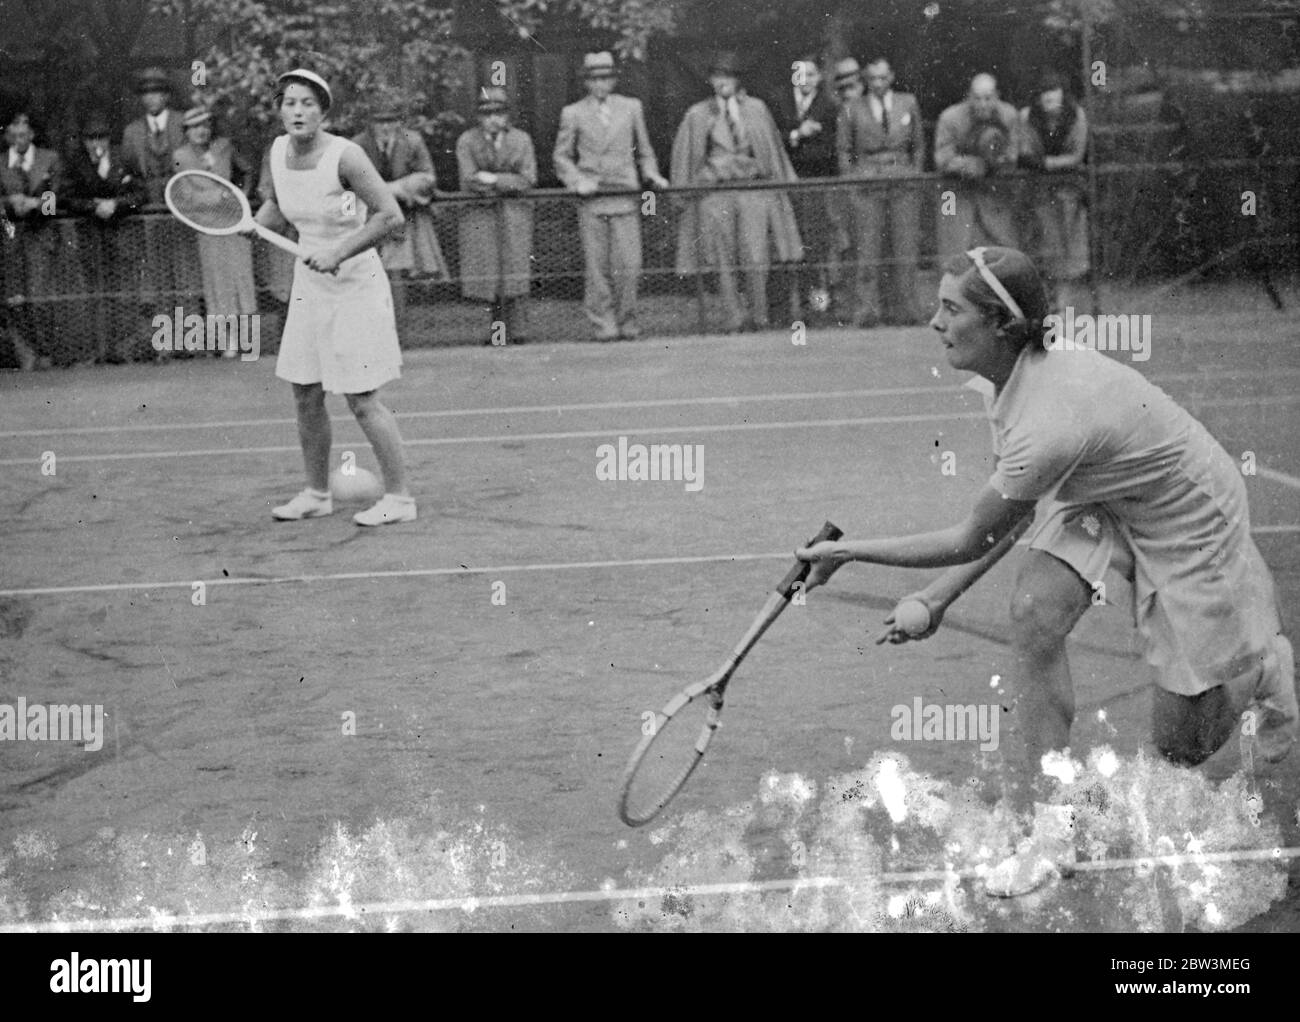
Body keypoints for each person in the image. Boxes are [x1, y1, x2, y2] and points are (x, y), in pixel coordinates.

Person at [796, 246, 1296, 897]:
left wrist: (848, 551)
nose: (934, 322)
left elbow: (967, 537)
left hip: (1189, 519)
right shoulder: (1012, 383)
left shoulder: (1046, 421)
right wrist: (938, 599)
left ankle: (1261, 668)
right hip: (1102, 491)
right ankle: (1050, 833)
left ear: (1002, 327)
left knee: (1184, 747)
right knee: (1034, 616)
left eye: (951, 309)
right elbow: (1005, 525)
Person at [253, 69, 415, 526]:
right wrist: (253, 223)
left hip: (356, 286)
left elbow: (390, 215)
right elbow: (280, 207)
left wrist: (338, 252)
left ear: (323, 111)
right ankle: (316, 493)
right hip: (311, 288)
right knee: (304, 392)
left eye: (307, 103)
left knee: (362, 398)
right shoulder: (278, 151)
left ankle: (400, 499)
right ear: (280, 109)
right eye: (289, 103)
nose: (298, 111)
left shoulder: (348, 156)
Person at [670, 51, 803, 334]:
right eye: (718, 75)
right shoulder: (697, 114)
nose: (723, 81)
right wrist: (698, 183)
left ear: (737, 79)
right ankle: (734, 318)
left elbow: (772, 152)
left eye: (729, 75)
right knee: (722, 259)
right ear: (710, 80)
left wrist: (778, 184)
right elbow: (687, 161)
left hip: (753, 192)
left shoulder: (756, 108)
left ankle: (759, 316)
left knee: (756, 257)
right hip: (715, 196)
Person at [554, 50, 667, 342]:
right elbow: (561, 157)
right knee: (597, 269)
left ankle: (627, 321)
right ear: (586, 83)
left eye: (606, 77)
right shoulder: (573, 112)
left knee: (630, 266)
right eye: (594, 79)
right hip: (592, 199)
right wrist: (577, 180)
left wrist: (652, 174)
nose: (601, 84)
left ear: (614, 80)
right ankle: (603, 325)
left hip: (625, 195)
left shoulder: (631, 107)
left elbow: (645, 151)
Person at [837, 58, 925, 326]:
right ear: (866, 80)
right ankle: (866, 311)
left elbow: (918, 145)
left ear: (891, 77)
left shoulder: (907, 102)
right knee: (867, 250)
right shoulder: (852, 108)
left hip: (902, 183)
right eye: (873, 78)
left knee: (905, 248)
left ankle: (907, 310)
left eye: (883, 77)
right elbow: (843, 150)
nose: (878, 83)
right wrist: (852, 183)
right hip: (867, 185)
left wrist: (914, 175)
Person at [351, 99, 449, 330]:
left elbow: (428, 178)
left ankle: (397, 333)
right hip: (368, 220)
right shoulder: (357, 145)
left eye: (391, 121)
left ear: (399, 123)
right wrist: (393, 189)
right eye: (380, 122)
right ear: (371, 124)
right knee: (367, 275)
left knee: (396, 275)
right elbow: (348, 184)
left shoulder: (412, 141)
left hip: (404, 218)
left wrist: (392, 189)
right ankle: (370, 332)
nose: (385, 127)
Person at [173, 107, 258, 357]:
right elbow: (187, 195)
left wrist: (241, 195)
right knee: (217, 283)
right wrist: (219, 195)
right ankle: (228, 342)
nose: (201, 131)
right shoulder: (180, 155)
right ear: (186, 131)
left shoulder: (223, 146)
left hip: (234, 221)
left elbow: (248, 170)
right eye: (195, 127)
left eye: (205, 126)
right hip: (208, 226)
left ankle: (248, 341)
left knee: (240, 277)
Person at [455, 87, 536, 346]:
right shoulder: (467, 140)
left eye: (499, 113)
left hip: (514, 215)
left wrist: (492, 178)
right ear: (479, 117)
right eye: (487, 114)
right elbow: (469, 179)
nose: (493, 119)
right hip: (480, 216)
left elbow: (527, 179)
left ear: (507, 115)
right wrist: (504, 183)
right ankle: (493, 333)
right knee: (486, 275)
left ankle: (519, 332)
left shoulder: (521, 140)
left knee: (514, 272)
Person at [63, 112, 146, 362]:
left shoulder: (124, 158)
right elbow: (66, 197)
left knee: (123, 293)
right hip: (90, 238)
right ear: (84, 142)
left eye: (100, 137)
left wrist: (116, 204)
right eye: (90, 139)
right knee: (95, 293)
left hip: (121, 237)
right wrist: (93, 206)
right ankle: (98, 351)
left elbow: (141, 193)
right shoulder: (76, 163)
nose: (96, 143)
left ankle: (124, 349)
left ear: (109, 139)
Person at [771, 53, 838, 323]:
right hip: (788, 186)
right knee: (786, 246)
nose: (805, 80)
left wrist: (800, 141)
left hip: (816, 187)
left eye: (810, 74)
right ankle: (786, 310)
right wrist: (799, 134)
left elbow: (830, 150)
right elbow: (775, 142)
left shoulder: (830, 107)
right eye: (799, 74)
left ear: (819, 77)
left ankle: (819, 307)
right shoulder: (780, 104)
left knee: (816, 247)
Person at [1, 113, 68, 365]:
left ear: (32, 135)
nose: (18, 139)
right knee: (15, 300)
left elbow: (58, 197)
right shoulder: (0, 163)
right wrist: (9, 203)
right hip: (10, 240)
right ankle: (26, 354)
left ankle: (47, 354)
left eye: (23, 134)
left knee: (40, 299)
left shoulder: (49, 159)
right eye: (13, 134)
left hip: (41, 237)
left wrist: (36, 204)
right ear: (7, 136)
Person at [1018, 73, 1089, 307]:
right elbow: (1025, 150)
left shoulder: (1076, 116)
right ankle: (1044, 304)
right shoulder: (1027, 117)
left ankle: (1063, 304)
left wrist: (1047, 163)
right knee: (1042, 246)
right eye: (1044, 94)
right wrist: (1033, 161)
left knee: (1068, 249)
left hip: (1069, 191)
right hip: (1039, 192)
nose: (1048, 98)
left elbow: (1076, 156)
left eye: (1053, 92)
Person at [933, 74, 1021, 263]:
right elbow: (942, 158)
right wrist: (968, 164)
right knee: (954, 253)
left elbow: (1013, 153)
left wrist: (993, 160)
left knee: (1001, 251)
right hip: (955, 194)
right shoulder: (950, 118)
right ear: (969, 97)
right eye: (977, 98)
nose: (982, 104)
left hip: (993, 193)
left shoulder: (1009, 115)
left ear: (997, 96)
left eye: (988, 98)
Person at [121, 67, 185, 206]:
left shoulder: (183, 123)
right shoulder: (131, 131)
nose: (150, 97)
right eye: (145, 93)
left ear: (167, 96)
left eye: (156, 92)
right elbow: (127, 170)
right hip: (147, 204)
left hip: (182, 201)